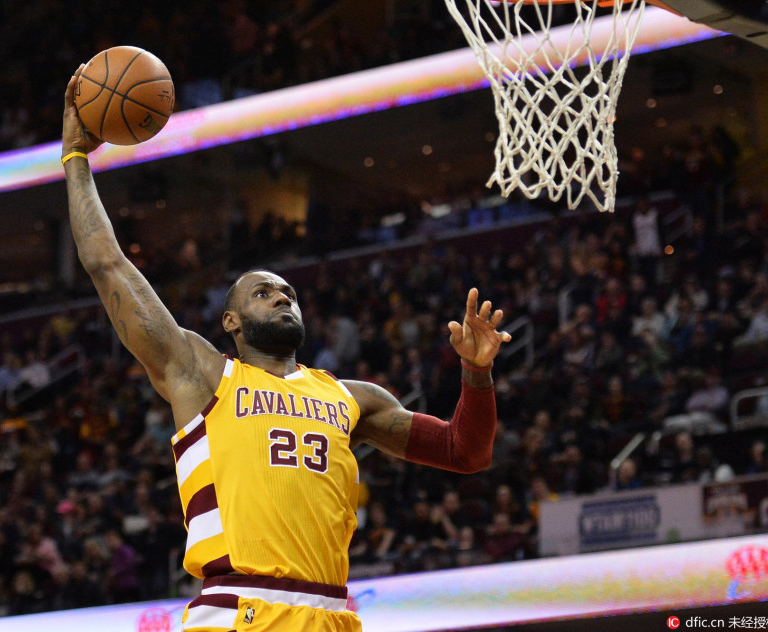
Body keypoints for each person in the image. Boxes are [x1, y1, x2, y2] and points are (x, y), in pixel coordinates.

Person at [62, 68, 511, 632]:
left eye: (289, 293)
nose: (281, 296)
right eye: (263, 292)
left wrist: (475, 374)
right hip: (238, 610)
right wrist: (75, 159)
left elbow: (465, 452)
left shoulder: (354, 399)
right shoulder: (202, 373)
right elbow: (107, 264)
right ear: (230, 321)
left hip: (331, 616)